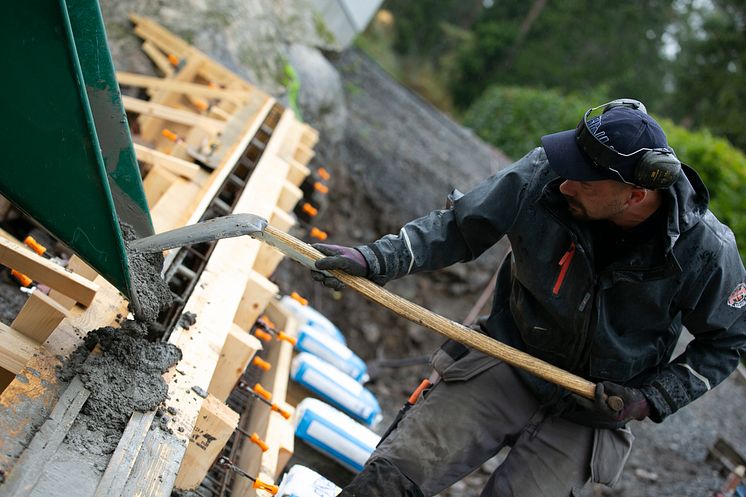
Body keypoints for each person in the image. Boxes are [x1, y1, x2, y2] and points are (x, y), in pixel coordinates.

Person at [311, 99, 746, 497]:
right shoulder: (546, 175)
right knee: (393, 477)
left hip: (592, 408)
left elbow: (728, 340)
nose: (565, 186)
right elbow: (460, 228)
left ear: (634, 194)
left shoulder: (706, 251)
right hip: (507, 352)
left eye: (584, 182)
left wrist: (653, 396)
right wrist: (374, 259)